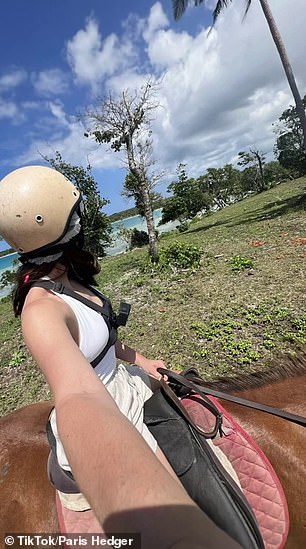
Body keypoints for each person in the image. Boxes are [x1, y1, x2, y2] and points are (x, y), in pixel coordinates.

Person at [0, 166, 240, 548]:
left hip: (127, 383)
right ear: (70, 227)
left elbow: (103, 343)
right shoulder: (40, 310)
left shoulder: (66, 275)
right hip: (106, 407)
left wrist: (143, 362)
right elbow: (77, 394)